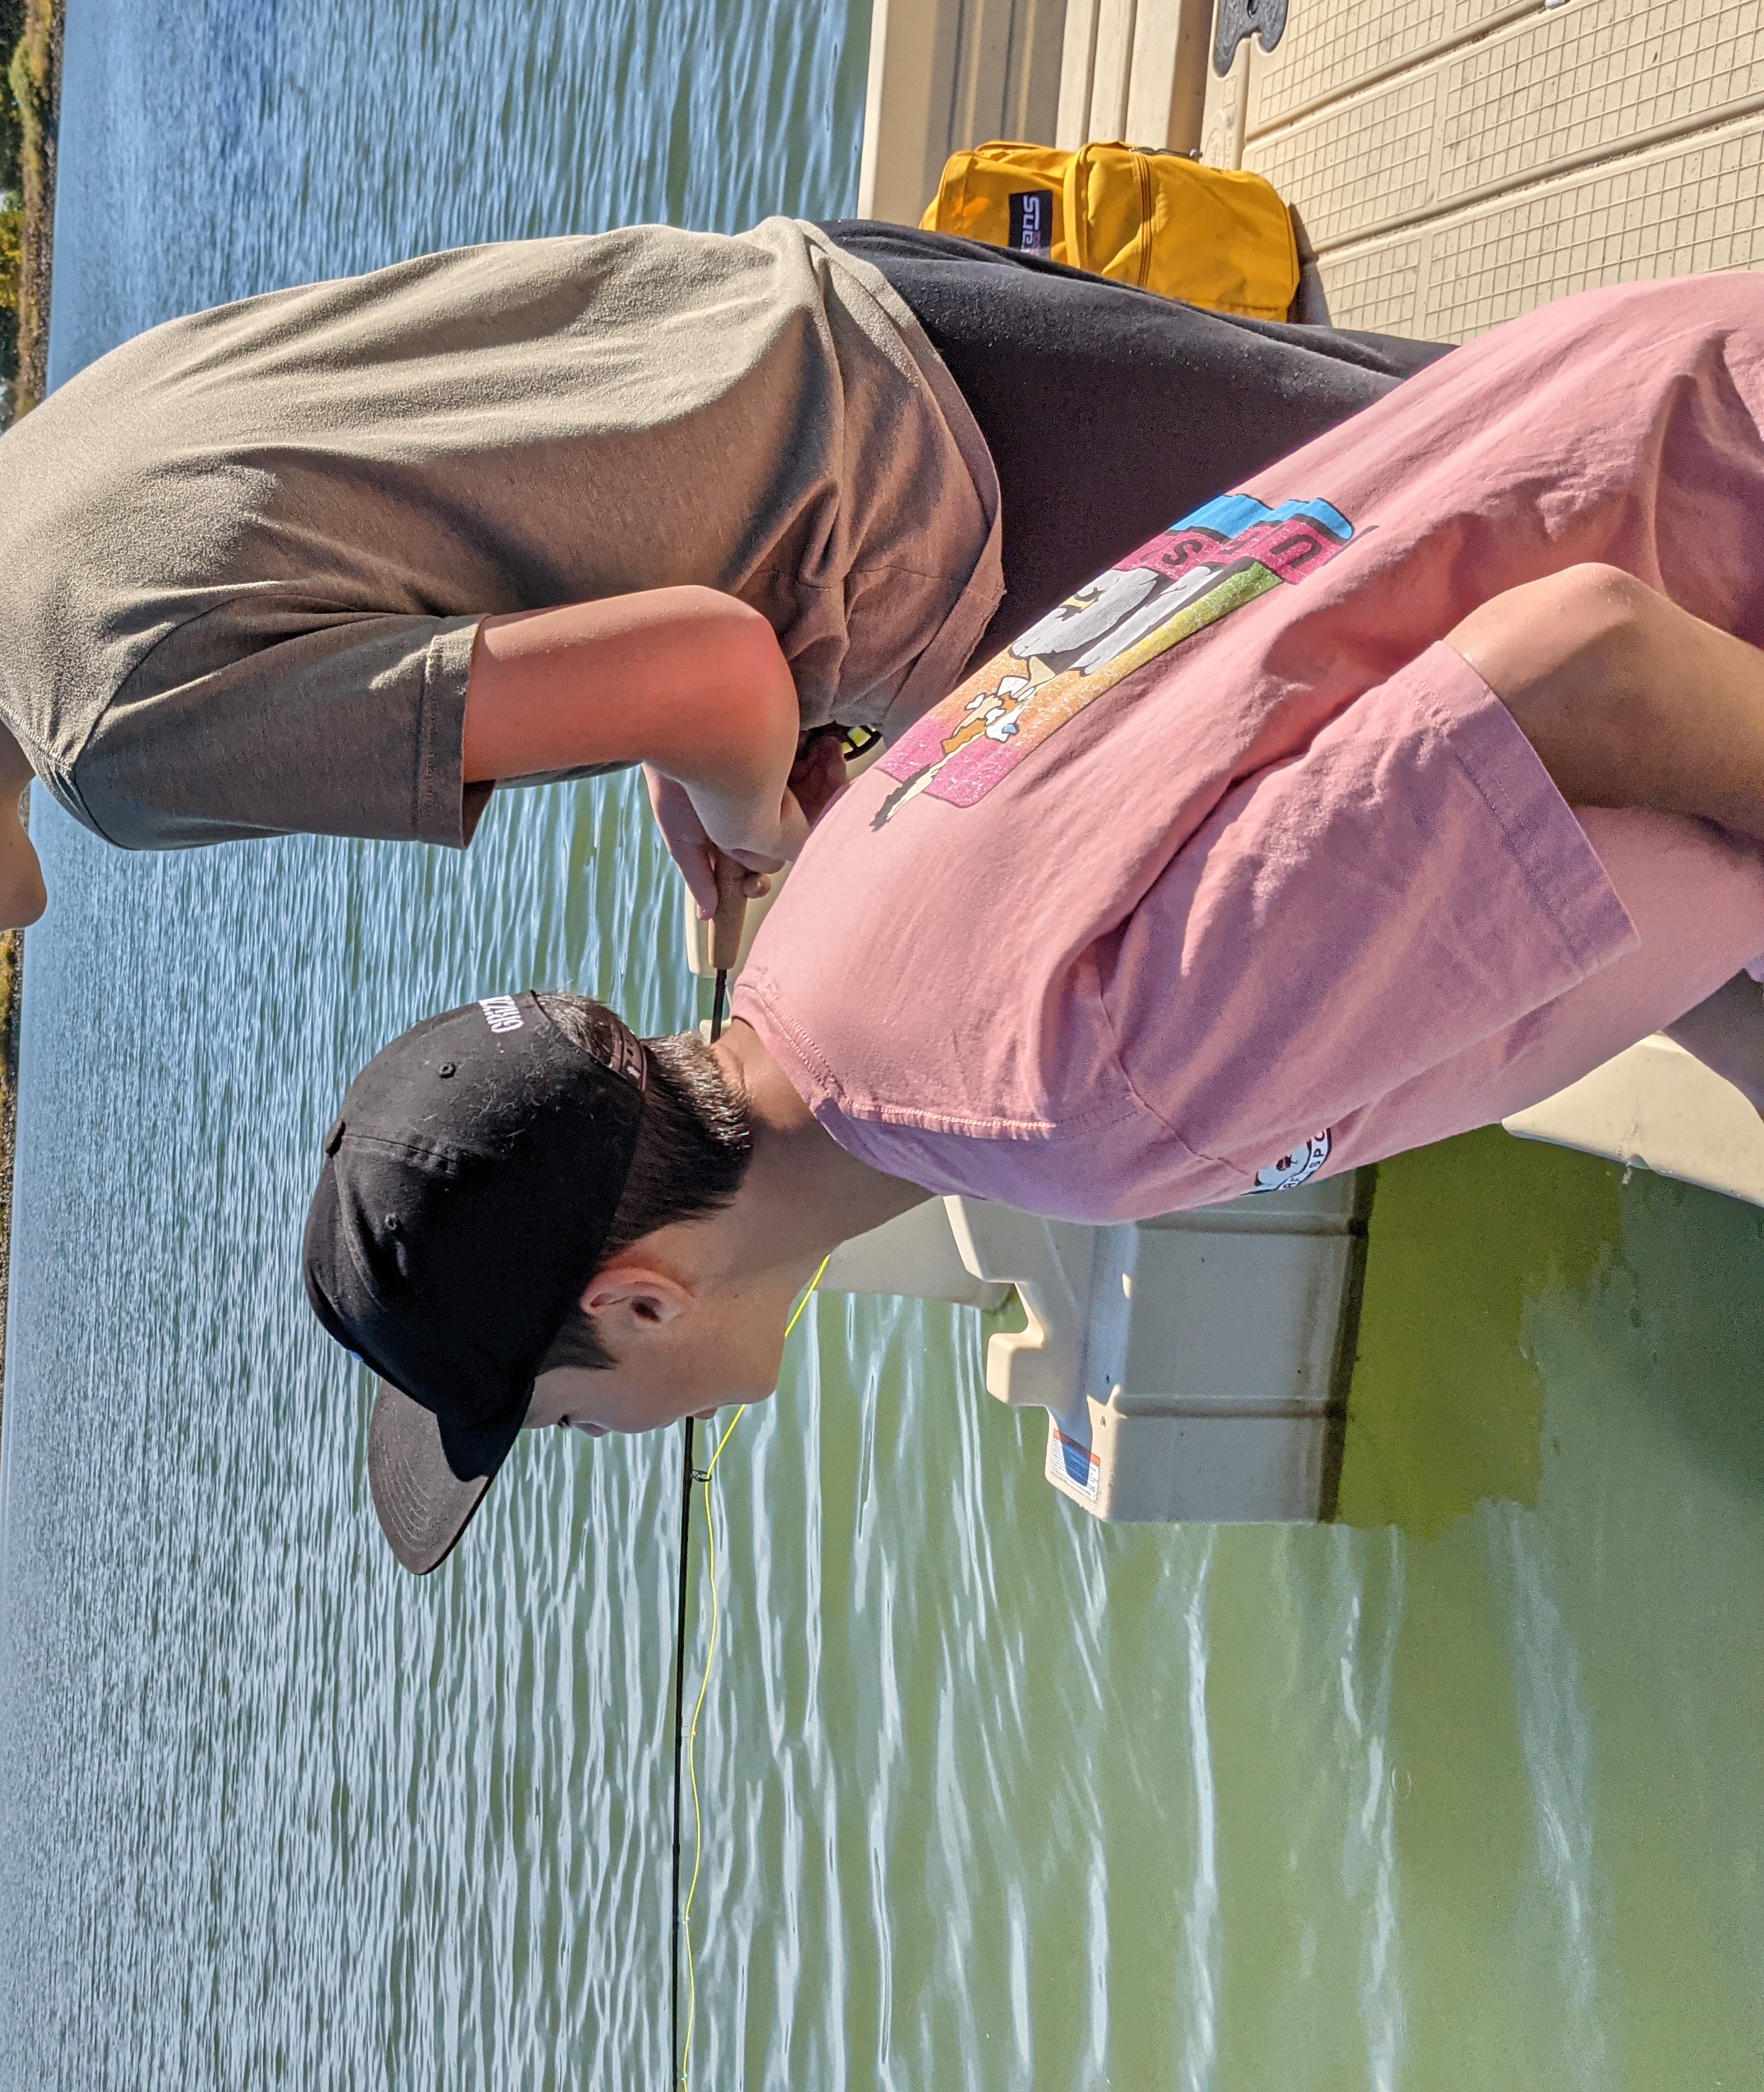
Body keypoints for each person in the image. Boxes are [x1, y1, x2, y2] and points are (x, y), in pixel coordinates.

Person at [304, 272, 1764, 1573]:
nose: (606, 1440)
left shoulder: (1068, 1098)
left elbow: (1588, 674)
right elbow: (1506, 829)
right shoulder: (831, 910)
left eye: (565, 1421)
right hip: (1670, 391)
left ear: (637, 1304)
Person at [0, 219, 1441, 1112]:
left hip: (945, 506)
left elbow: (720, 672)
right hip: (870, 304)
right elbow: (508, 464)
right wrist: (693, 741)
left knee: (1560, 586)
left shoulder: (117, 750)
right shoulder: (17, 493)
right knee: (1556, 419)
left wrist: (769, 834)